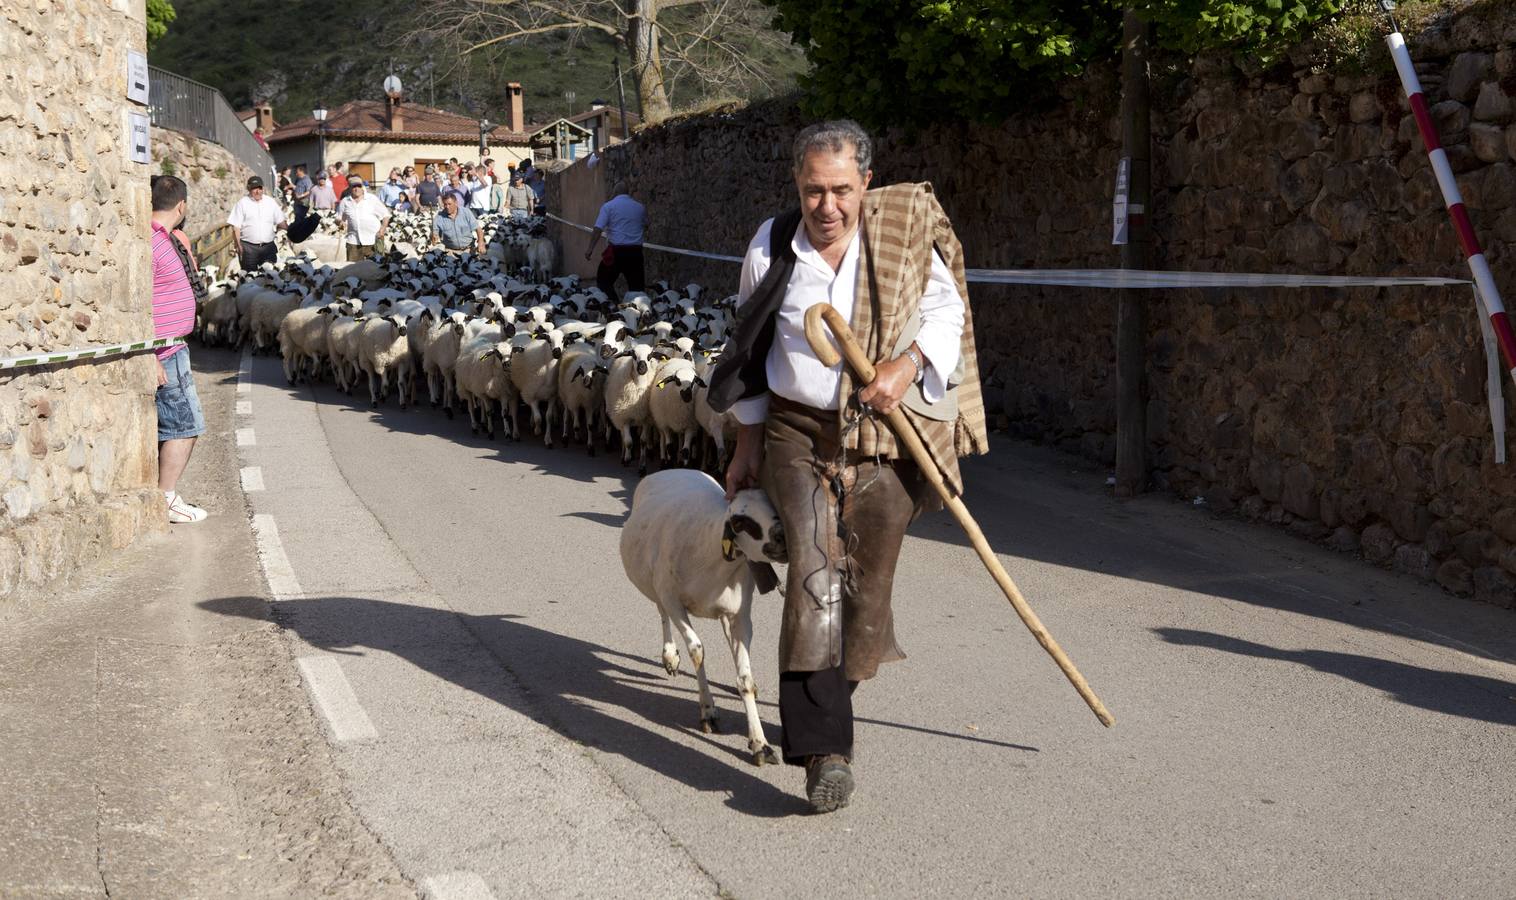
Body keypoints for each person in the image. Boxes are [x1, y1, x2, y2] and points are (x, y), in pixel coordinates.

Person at [706, 120, 988, 813]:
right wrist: (745, 443)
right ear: (796, 188)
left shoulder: (898, 238)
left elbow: (944, 315)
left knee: (868, 593)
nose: (826, 206)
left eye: (839, 190)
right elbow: (748, 344)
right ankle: (826, 752)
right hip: (797, 433)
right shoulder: (773, 245)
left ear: (865, 182)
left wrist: (907, 365)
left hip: (881, 435)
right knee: (815, 578)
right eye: (811, 191)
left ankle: (825, 696)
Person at [149, 175, 210, 524]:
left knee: (179, 423)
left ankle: (166, 494)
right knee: (185, 424)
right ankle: (166, 497)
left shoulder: (165, 239)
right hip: (165, 351)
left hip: (173, 346)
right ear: (182, 206)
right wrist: (150, 354)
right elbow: (140, 300)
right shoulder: (153, 243)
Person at [584, 180, 647, 302]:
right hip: (635, 253)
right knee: (637, 290)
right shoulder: (640, 207)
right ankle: (636, 313)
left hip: (616, 252)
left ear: (615, 192)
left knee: (603, 282)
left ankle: (615, 306)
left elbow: (598, 229)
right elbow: (645, 224)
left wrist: (590, 248)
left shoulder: (609, 206)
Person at [227, 175, 286, 272]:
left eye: (260, 188)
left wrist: (293, 232)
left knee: (271, 277)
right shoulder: (242, 203)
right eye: (254, 188)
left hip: (268, 247)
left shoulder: (270, 202)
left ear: (263, 188)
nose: (257, 191)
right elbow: (236, 227)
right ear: (249, 189)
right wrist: (238, 245)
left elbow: (281, 222)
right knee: (250, 278)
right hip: (249, 249)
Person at [337, 178, 390, 261]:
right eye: (354, 186)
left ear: (362, 187)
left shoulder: (372, 199)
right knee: (354, 269)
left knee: (376, 269)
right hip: (353, 241)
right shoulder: (345, 201)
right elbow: (339, 217)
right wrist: (340, 222)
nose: (356, 189)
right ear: (350, 188)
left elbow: (385, 215)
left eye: (359, 186)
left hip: (373, 240)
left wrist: (382, 229)